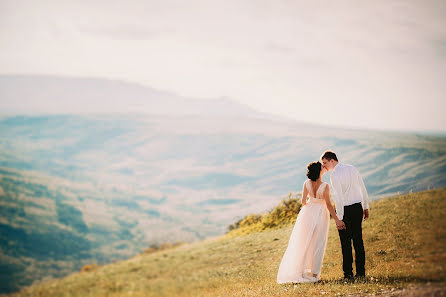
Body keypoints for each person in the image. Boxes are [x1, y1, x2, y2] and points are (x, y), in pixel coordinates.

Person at [277, 161, 344, 284]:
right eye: (322, 167)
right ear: (319, 171)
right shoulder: (325, 186)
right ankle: (314, 274)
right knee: (318, 242)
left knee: (304, 241)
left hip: (307, 213)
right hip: (320, 214)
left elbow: (303, 201)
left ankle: (301, 271)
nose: (324, 168)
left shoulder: (306, 183)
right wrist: (337, 219)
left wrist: (311, 204)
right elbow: (329, 205)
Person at [321, 151, 369, 280]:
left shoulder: (335, 175)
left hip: (345, 211)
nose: (324, 166)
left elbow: (339, 197)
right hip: (358, 208)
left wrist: (339, 218)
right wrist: (365, 206)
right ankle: (361, 273)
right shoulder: (352, 168)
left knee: (346, 244)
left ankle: (348, 274)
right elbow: (362, 187)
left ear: (332, 160)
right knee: (358, 242)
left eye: (325, 163)